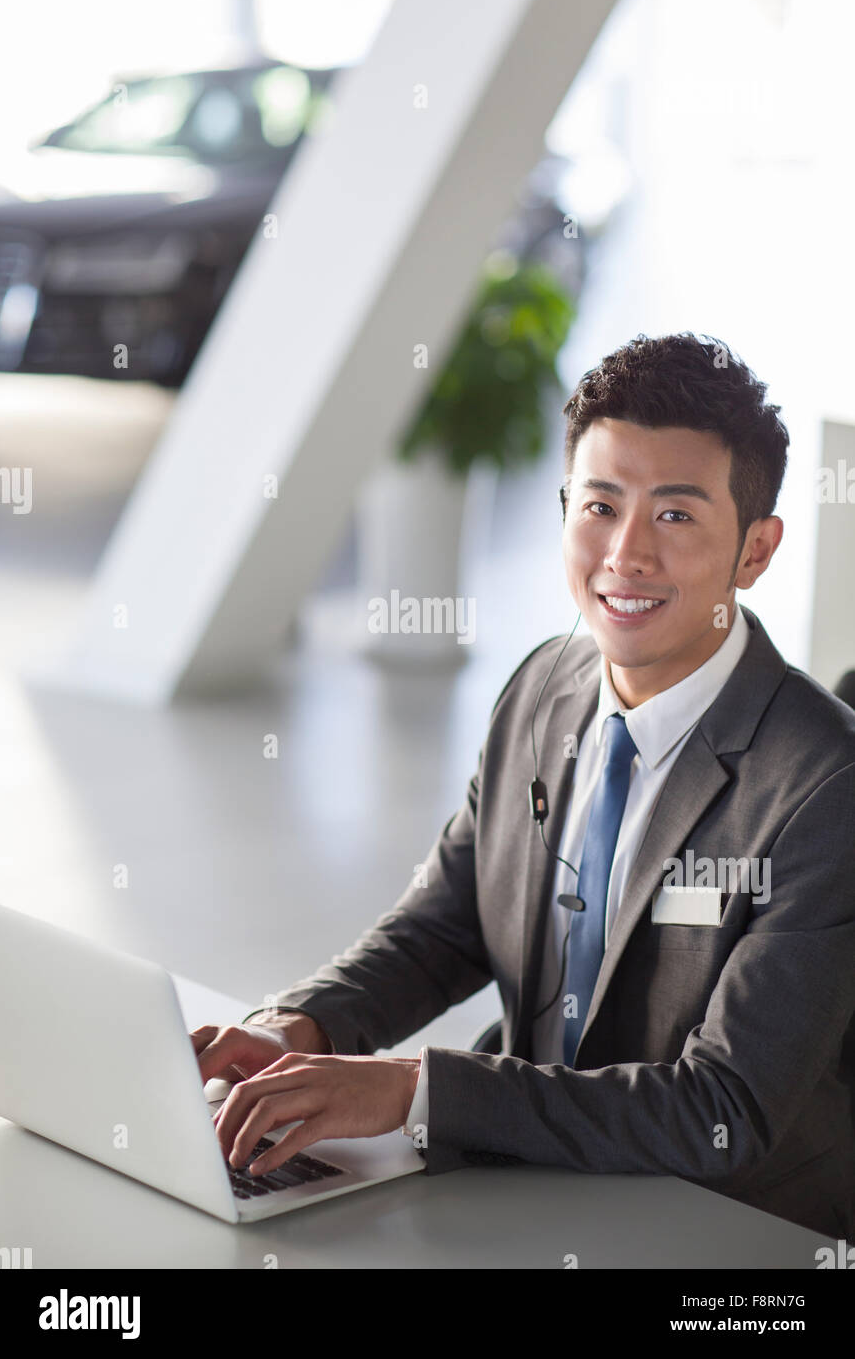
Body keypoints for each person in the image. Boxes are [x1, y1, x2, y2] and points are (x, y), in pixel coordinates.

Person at [192, 331, 855, 1241]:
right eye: (599, 504)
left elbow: (723, 1109)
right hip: (525, 1182)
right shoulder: (546, 685)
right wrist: (303, 1027)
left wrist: (418, 1092)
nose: (624, 555)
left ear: (755, 551)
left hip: (723, 1224)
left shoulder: (825, 784)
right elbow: (446, 924)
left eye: (674, 516)